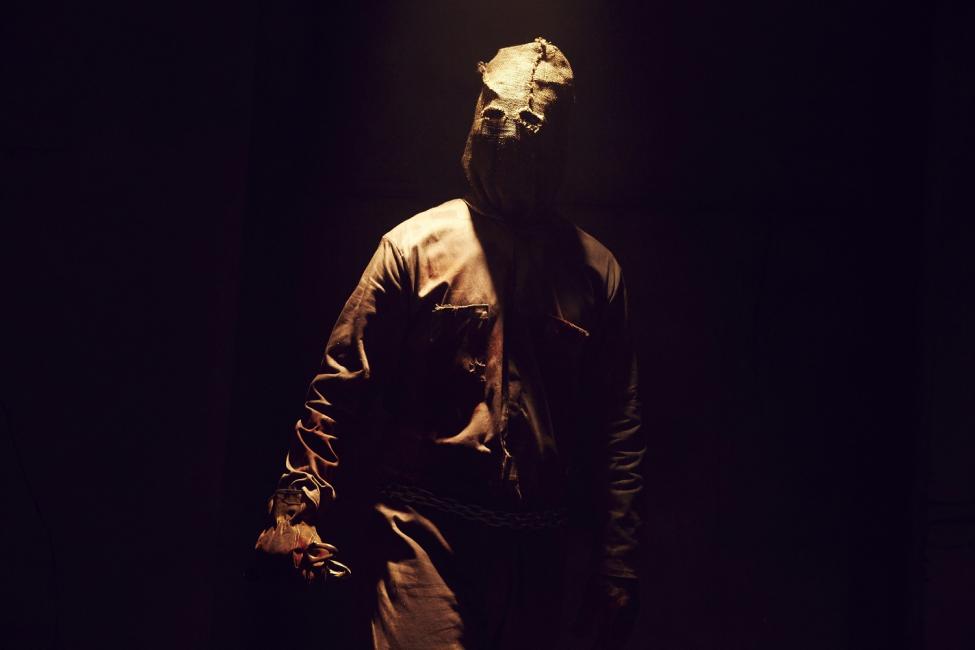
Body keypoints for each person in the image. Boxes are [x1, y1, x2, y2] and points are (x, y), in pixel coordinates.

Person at [254, 37, 646, 649]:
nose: (512, 142)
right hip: (424, 540)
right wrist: (295, 509)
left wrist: (618, 563)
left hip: (539, 554)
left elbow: (619, 427)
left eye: (532, 130)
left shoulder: (596, 275)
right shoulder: (413, 250)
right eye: (497, 121)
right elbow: (339, 386)